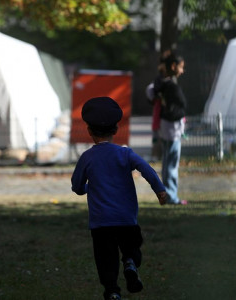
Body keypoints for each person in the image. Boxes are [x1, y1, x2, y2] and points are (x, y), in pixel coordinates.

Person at [71, 96, 167, 300]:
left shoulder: (87, 158)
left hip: (100, 223)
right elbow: (146, 168)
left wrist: (87, 188)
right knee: (132, 246)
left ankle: (112, 291)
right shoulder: (125, 154)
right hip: (126, 219)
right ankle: (131, 262)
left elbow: (77, 186)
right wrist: (159, 190)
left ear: (89, 131)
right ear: (115, 131)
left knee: (106, 260)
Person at [155, 52, 188, 205]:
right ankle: (171, 196)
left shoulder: (161, 84)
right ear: (173, 67)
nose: (182, 71)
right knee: (171, 164)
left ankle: (167, 194)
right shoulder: (170, 86)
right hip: (172, 129)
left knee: (167, 162)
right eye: (181, 68)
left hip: (167, 128)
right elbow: (179, 107)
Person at [145, 50, 171, 161]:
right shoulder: (162, 79)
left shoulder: (163, 78)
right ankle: (157, 155)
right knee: (163, 139)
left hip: (164, 112)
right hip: (163, 113)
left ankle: (158, 156)